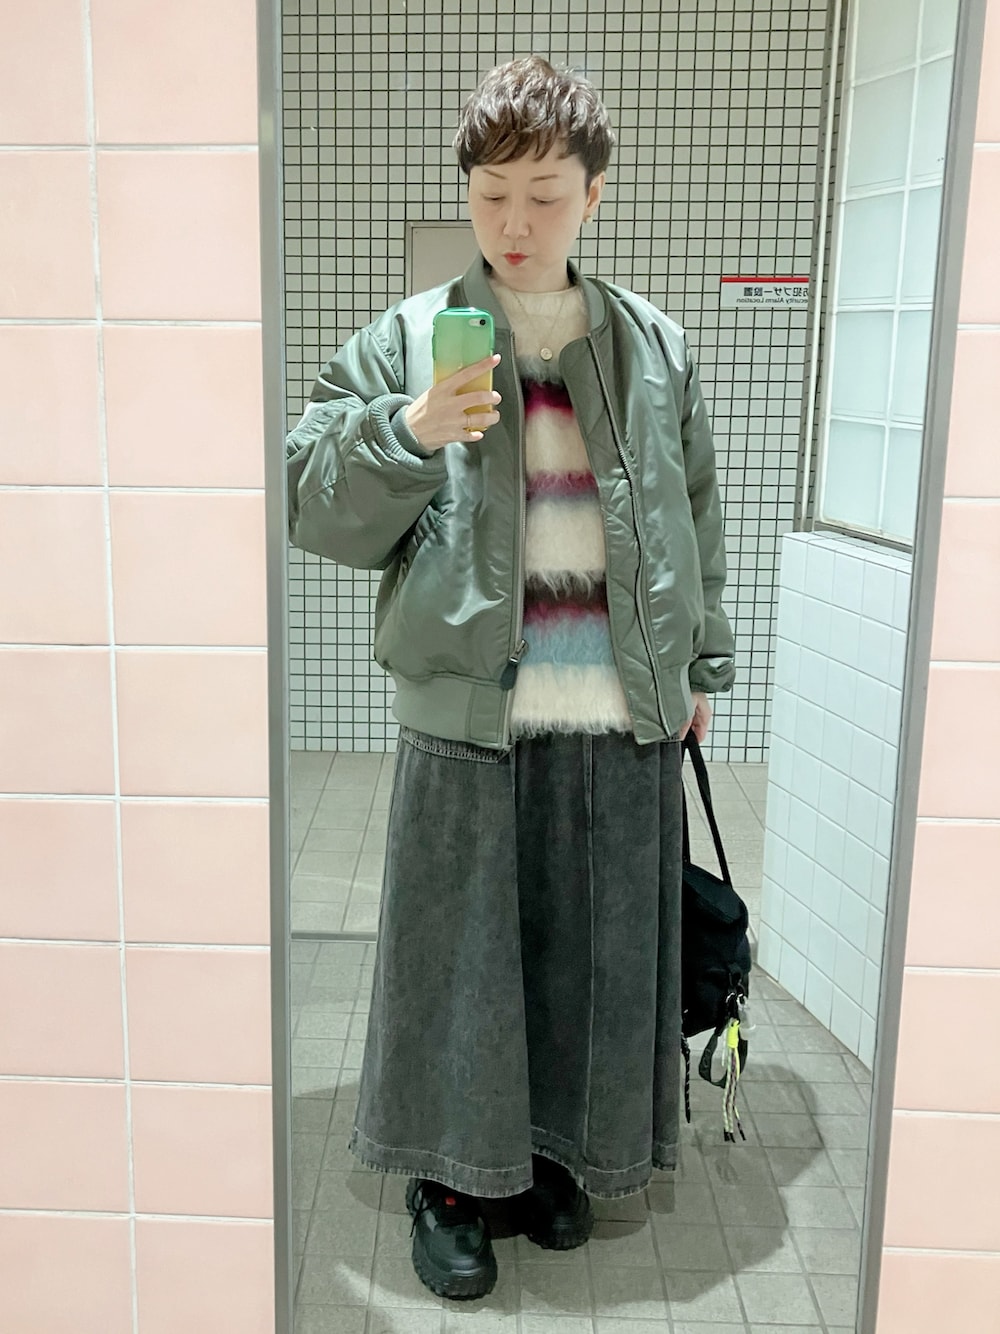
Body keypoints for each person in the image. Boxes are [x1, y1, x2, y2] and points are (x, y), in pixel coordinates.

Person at [286, 55, 735, 1302]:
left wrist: (700, 662)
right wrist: (406, 430)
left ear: (595, 191)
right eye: (491, 196)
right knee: (458, 962)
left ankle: (546, 1152)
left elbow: (695, 512)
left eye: (543, 194)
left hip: (619, 712)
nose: (515, 223)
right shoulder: (405, 340)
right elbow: (305, 496)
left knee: (587, 954)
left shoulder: (654, 345)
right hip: (470, 711)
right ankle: (446, 1180)